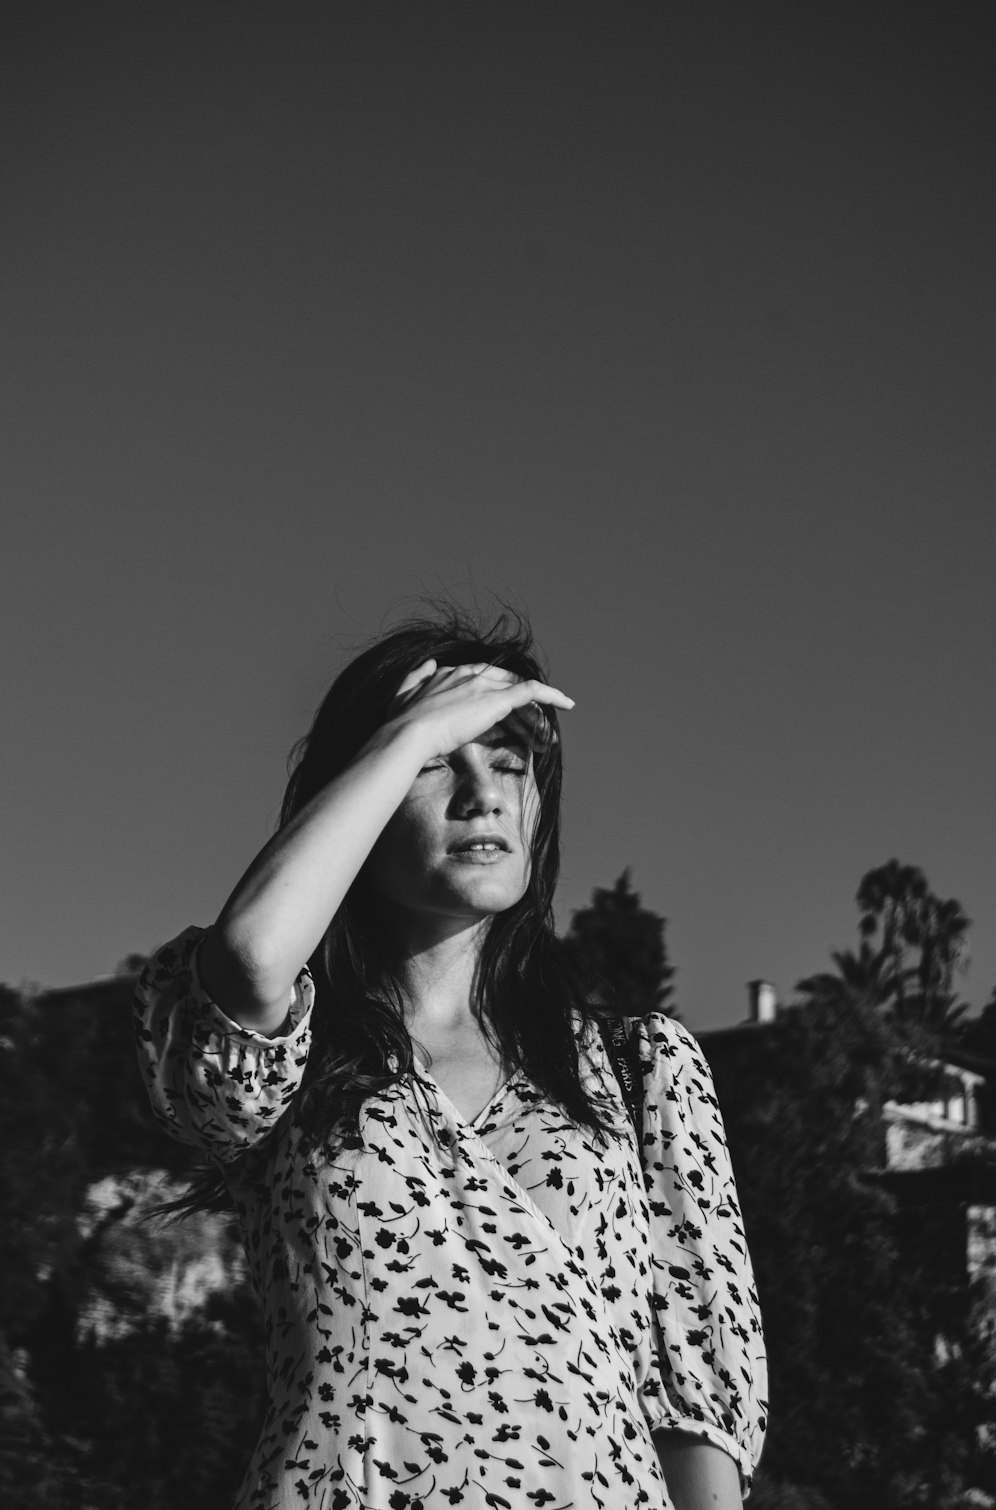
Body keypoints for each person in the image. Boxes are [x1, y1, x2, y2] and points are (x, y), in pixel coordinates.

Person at [134, 608, 767, 1510]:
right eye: (438, 765)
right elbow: (249, 957)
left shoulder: (642, 1069)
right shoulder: (285, 1055)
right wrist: (410, 730)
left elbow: (697, 1407)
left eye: (509, 765)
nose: (484, 796)